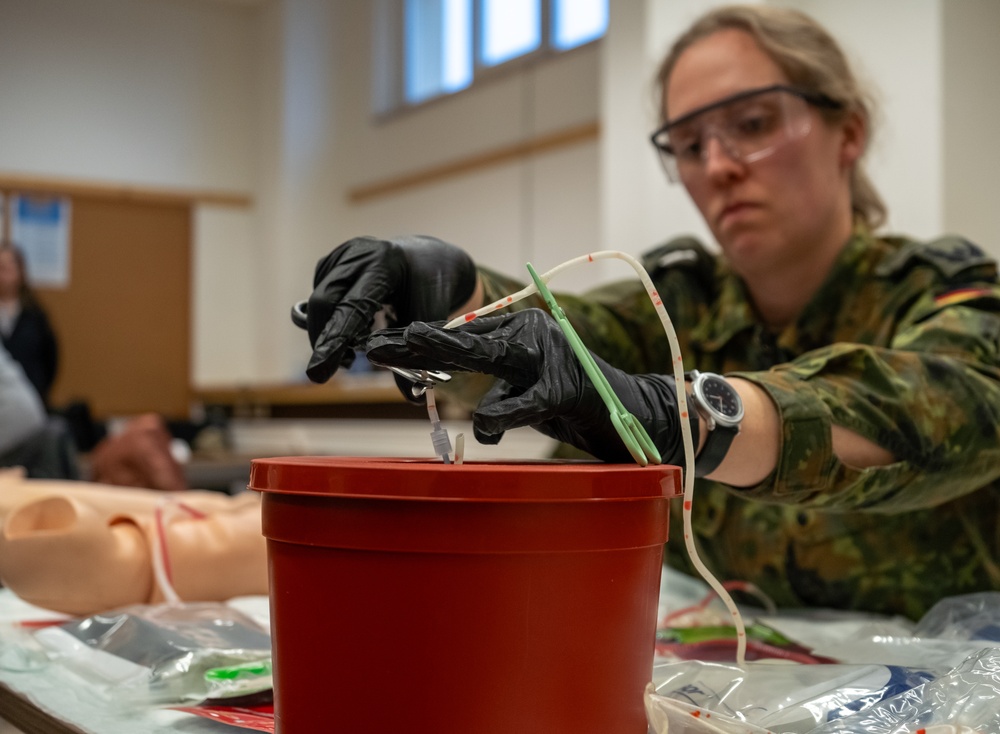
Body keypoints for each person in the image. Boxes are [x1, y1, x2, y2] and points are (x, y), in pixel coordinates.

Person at [298, 5, 1000, 620]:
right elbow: (564, 339)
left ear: (847, 132)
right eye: (690, 145)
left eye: (751, 124)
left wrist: (684, 415)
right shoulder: (681, 304)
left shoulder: (944, 292)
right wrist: (449, 293)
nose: (719, 165)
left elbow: (946, 408)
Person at [0, 241, 59, 408]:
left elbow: (51, 357)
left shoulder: (34, 313)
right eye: (0, 267)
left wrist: (40, 390)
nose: (4, 274)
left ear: (20, 271)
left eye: (8, 267)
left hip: (31, 398)